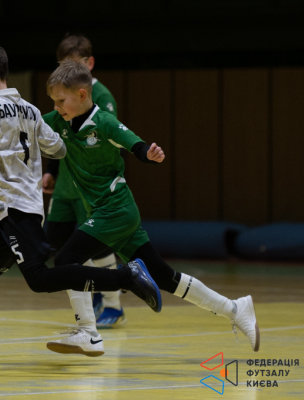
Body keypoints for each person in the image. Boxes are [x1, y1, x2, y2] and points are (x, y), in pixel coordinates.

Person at [0, 35, 162, 375]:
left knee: (38, 278)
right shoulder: (30, 109)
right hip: (24, 210)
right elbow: (58, 149)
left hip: (13, 210)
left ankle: (127, 276)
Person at [41, 59, 260, 357]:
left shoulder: (104, 122)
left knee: (66, 259)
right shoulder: (60, 121)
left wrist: (149, 153)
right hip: (110, 215)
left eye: (60, 101)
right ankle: (235, 308)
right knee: (165, 277)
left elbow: (135, 145)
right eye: (53, 102)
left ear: (81, 95)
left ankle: (88, 333)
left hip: (115, 210)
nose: (56, 107)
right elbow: (28, 123)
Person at [42, 34, 125, 332]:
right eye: (61, 66)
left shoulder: (101, 96)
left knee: (96, 245)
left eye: (73, 65)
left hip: (90, 187)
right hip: (66, 185)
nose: (65, 72)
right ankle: (94, 292)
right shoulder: (62, 95)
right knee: (57, 241)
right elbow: (59, 134)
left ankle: (113, 304)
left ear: (89, 64)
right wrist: (51, 170)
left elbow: (110, 141)